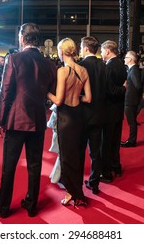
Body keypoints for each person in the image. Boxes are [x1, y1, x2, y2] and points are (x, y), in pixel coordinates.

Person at [0, 23, 56, 218]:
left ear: (22, 37)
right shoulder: (49, 64)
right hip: (37, 119)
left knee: (9, 165)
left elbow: (6, 92)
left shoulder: (14, 58)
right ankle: (31, 204)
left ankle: (2, 206)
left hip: (16, 120)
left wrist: (0, 120)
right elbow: (49, 92)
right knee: (35, 165)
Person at [47, 37, 91, 206]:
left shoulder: (63, 71)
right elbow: (88, 98)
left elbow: (58, 100)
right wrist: (76, 95)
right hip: (79, 116)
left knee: (66, 157)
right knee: (78, 156)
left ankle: (70, 193)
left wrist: (45, 93)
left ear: (62, 52)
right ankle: (77, 191)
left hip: (65, 117)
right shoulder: (84, 70)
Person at [79, 36, 107, 195]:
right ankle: (94, 183)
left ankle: (77, 184)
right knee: (96, 152)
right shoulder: (103, 66)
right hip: (99, 114)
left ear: (86, 48)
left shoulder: (81, 65)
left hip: (83, 114)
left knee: (79, 151)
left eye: (82, 47)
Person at [100, 40, 127, 182]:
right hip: (118, 111)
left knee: (106, 143)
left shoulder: (109, 67)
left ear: (108, 51)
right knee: (115, 143)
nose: (101, 53)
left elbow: (110, 90)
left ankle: (107, 173)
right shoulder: (121, 65)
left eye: (103, 50)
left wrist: (124, 88)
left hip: (109, 111)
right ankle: (116, 167)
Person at [121, 51, 142, 148]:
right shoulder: (132, 69)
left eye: (126, 57)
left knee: (132, 122)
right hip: (131, 100)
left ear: (130, 59)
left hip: (130, 100)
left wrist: (127, 86)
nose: (124, 59)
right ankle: (131, 140)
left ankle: (131, 141)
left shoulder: (133, 70)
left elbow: (138, 86)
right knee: (132, 122)